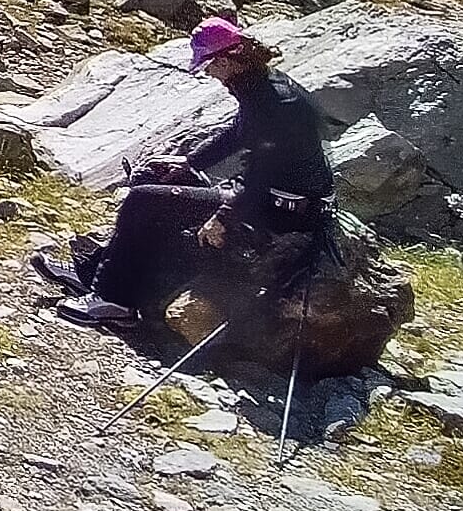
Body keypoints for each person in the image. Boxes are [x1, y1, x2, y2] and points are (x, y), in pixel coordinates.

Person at [49, 17, 334, 331]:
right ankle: (93, 274)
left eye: (209, 66)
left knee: (143, 199)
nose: (209, 74)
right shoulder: (261, 84)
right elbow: (238, 133)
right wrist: (189, 162)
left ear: (225, 60)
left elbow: (260, 176)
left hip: (285, 210)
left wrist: (224, 217)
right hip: (276, 196)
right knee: (156, 179)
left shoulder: (273, 102)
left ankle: (114, 301)